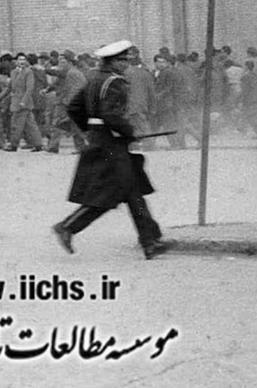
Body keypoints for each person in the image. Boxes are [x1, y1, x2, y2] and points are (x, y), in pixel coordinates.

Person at [52, 40, 174, 259]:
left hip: (102, 141)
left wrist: (90, 129)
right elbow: (111, 115)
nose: (126, 64)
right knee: (115, 194)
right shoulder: (115, 82)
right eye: (122, 60)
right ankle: (67, 227)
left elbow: (74, 107)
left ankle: (150, 240)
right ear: (112, 61)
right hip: (112, 145)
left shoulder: (94, 79)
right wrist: (128, 132)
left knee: (130, 191)